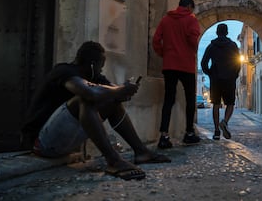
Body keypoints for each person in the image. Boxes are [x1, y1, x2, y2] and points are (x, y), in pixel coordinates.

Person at [21, 41, 170, 181]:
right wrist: (120, 90)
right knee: (85, 100)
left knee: (112, 102)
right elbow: (89, 92)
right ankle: (113, 160)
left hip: (63, 142)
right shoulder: (64, 71)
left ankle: (141, 152)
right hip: (42, 143)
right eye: (100, 66)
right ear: (92, 64)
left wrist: (125, 91)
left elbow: (113, 93)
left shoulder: (93, 76)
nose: (101, 70)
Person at [153, 0, 201, 149]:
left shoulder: (166, 19)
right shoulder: (191, 19)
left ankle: (164, 136)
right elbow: (193, 40)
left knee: (168, 99)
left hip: (169, 65)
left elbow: (156, 39)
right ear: (189, 7)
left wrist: (164, 54)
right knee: (189, 100)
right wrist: (191, 51)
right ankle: (189, 133)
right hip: (186, 65)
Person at [201, 23, 241, 140]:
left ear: (217, 33)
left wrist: (210, 73)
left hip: (216, 79)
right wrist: (235, 74)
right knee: (230, 104)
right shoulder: (233, 45)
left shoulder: (211, 46)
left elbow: (203, 63)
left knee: (216, 105)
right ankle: (225, 121)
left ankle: (216, 131)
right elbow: (238, 62)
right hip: (229, 78)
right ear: (227, 32)